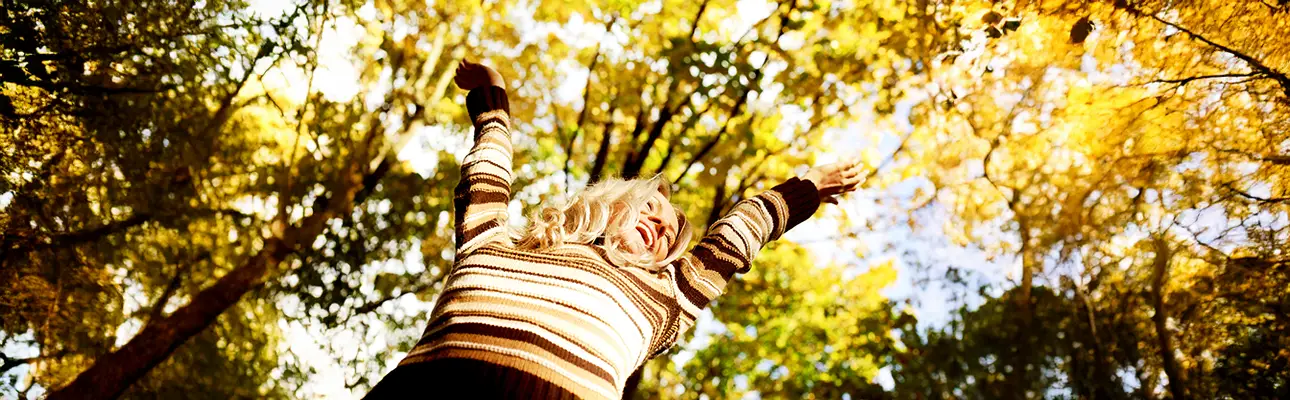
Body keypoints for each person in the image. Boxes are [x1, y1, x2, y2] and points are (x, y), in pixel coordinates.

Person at [365, 60, 864, 399]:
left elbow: (739, 230)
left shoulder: (664, 295)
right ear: (609, 204)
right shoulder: (493, 243)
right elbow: (486, 172)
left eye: (670, 236)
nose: (660, 230)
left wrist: (809, 187)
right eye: (651, 211)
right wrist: (492, 98)